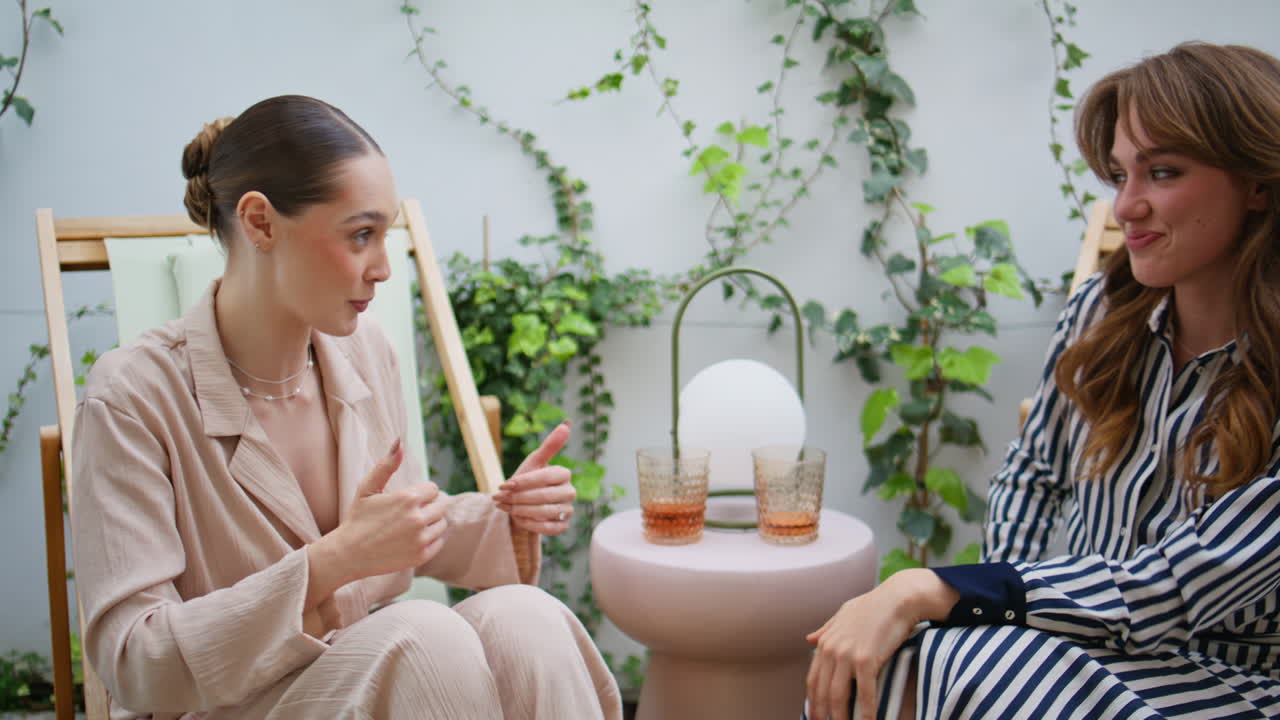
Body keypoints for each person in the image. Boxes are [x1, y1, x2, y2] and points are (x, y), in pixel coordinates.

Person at [70, 95, 623, 719]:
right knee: (423, 635)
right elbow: (135, 663)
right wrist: (333, 561)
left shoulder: (365, 352)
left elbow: (394, 530)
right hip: (217, 706)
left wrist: (509, 516)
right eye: (361, 235)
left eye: (386, 236)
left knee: (527, 618)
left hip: (357, 678)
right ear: (260, 223)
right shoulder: (131, 397)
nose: (384, 268)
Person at [804, 41, 1280, 720]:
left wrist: (943, 591)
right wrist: (994, 620)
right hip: (1085, 649)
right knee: (901, 663)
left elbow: (1172, 587)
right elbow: (1032, 475)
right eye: (1119, 175)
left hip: (1232, 680)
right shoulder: (1103, 314)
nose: (1126, 206)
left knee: (977, 667)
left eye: (1162, 172)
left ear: (1258, 183)